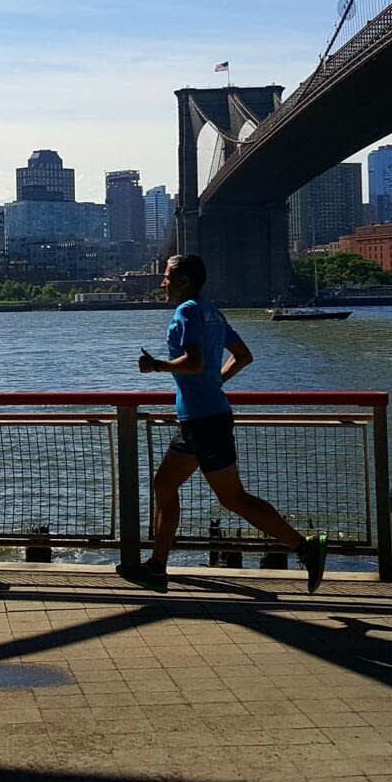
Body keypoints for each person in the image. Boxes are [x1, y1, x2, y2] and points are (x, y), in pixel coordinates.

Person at [119, 254, 328, 595]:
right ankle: (156, 567)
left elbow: (195, 361)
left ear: (185, 280)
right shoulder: (213, 312)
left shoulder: (187, 311)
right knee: (164, 485)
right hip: (197, 419)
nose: (162, 283)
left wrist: (157, 366)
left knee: (233, 498)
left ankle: (305, 548)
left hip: (205, 421)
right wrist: (217, 381)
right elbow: (243, 356)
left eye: (167, 277)